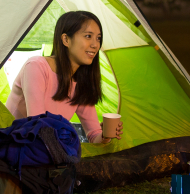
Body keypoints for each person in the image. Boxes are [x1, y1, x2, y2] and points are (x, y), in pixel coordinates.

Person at [6, 10, 122, 144]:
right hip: (16, 147)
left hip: (45, 150)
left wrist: (105, 136)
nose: (95, 45)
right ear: (66, 39)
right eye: (88, 36)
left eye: (98, 38)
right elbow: (36, 125)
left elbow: (94, 135)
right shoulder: (36, 66)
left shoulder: (80, 83)